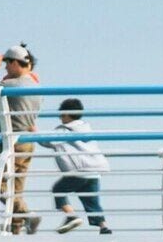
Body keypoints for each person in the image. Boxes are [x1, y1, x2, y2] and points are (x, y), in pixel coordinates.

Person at [0, 46, 42, 233]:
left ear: (15, 62)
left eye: (7, 64)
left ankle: (27, 215)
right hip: (28, 141)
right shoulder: (35, 82)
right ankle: (16, 230)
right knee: (16, 189)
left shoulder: (13, 85)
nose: (5, 68)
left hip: (12, 142)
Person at [39, 97, 110, 233]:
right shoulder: (86, 128)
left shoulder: (65, 130)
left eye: (61, 115)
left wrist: (34, 132)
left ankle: (71, 216)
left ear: (66, 114)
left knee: (58, 189)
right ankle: (104, 227)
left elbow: (47, 141)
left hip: (80, 171)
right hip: (94, 172)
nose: (60, 118)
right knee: (92, 201)